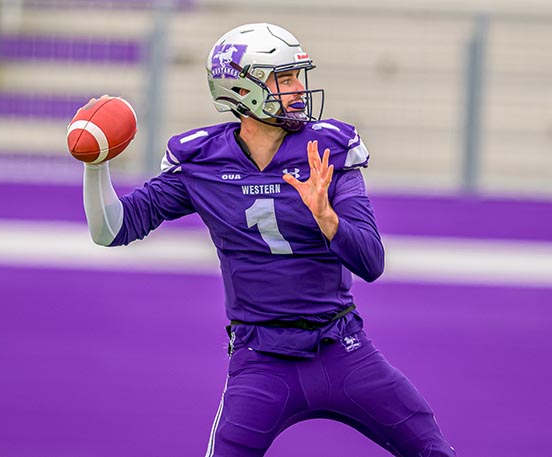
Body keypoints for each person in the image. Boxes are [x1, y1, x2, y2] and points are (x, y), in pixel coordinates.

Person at [80, 23, 455, 457]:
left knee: (432, 449)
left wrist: (327, 218)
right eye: (284, 78)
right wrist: (95, 164)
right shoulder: (202, 160)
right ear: (243, 87)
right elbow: (112, 230)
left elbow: (371, 262)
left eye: (298, 76)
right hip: (261, 361)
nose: (298, 88)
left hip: (342, 350)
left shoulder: (327, 150)